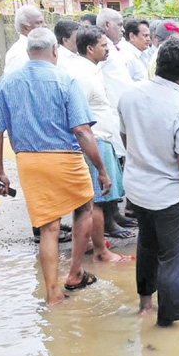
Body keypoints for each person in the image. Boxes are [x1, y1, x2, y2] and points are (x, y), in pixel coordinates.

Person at [0, 28, 111, 305]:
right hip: (66, 157)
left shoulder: (6, 82)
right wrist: (101, 168)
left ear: (30, 51)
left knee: (48, 229)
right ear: (55, 50)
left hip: (29, 162)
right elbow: (82, 131)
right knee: (85, 208)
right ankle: (75, 272)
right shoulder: (65, 80)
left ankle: (53, 294)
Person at [118, 38, 179, 326]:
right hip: (171, 196)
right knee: (173, 258)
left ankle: (145, 306)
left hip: (137, 189)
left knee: (146, 245)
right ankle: (167, 324)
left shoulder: (130, 95)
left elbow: (126, 139)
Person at [66, 26, 130, 263]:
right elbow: (79, 120)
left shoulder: (90, 70)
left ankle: (87, 245)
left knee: (91, 200)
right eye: (104, 45)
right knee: (99, 199)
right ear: (90, 48)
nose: (108, 49)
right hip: (94, 141)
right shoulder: (83, 76)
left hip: (99, 139)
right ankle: (101, 251)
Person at [96, 8, 137, 232]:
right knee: (109, 168)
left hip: (119, 113)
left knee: (116, 166)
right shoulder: (101, 51)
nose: (123, 28)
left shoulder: (113, 49)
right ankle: (108, 221)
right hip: (107, 115)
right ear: (106, 26)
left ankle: (115, 214)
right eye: (119, 24)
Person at [4, 5, 45, 74]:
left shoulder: (37, 47)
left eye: (43, 22)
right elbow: (13, 82)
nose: (45, 25)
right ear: (26, 28)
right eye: (39, 23)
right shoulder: (19, 54)